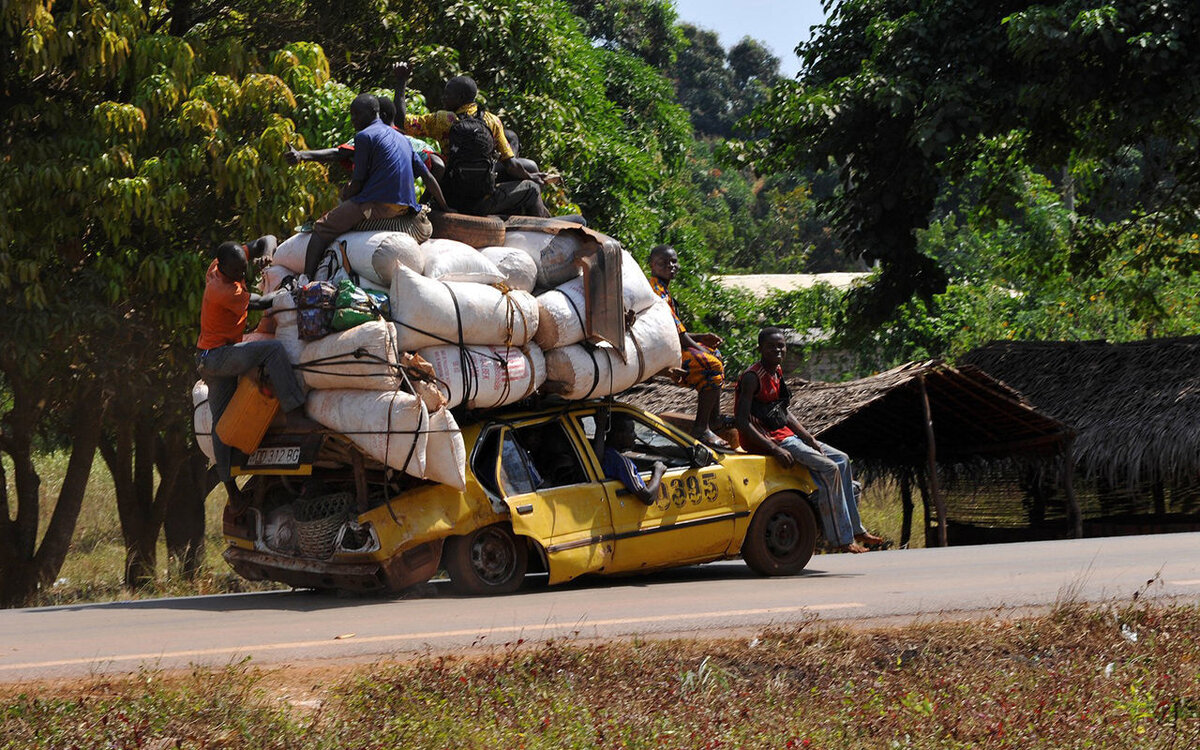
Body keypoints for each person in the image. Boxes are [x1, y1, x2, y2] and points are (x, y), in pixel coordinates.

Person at [734, 327, 885, 554]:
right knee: (829, 468)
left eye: (781, 346)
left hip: (785, 435)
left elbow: (783, 412)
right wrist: (774, 449)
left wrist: (808, 437)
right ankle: (842, 540)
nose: (778, 350)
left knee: (842, 460)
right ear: (760, 349)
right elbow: (742, 422)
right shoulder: (752, 377)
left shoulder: (777, 372)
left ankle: (856, 529)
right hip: (768, 439)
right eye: (772, 346)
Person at [197, 240, 306, 502]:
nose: (242, 275)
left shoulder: (223, 262)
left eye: (244, 269)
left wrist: (266, 254)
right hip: (218, 358)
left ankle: (232, 491)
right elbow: (259, 303)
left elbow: (266, 240)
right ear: (223, 269)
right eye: (237, 273)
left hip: (210, 358)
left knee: (222, 426)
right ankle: (295, 413)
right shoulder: (223, 290)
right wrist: (288, 293)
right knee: (273, 350)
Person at [299, 93, 449, 278]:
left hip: (377, 205)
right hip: (404, 207)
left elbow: (358, 181)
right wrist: (444, 207)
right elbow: (428, 177)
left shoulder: (364, 136)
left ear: (372, 112)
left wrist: (346, 195)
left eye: (356, 114)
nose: (353, 120)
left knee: (322, 228)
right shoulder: (403, 138)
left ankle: (304, 282)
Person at [393, 62, 551, 218]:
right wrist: (532, 177)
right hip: (482, 201)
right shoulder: (492, 121)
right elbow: (511, 165)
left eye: (447, 94)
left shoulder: (443, 120)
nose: (443, 98)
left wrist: (401, 81)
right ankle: (542, 227)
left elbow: (401, 122)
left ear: (460, 98)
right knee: (532, 188)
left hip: (451, 197)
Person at [647, 244, 730, 449]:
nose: (670, 266)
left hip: (668, 344)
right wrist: (698, 347)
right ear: (652, 265)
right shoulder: (656, 289)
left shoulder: (662, 287)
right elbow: (676, 332)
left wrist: (701, 338)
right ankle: (701, 429)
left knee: (715, 353)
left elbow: (674, 330)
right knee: (711, 364)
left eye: (674, 261)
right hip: (659, 350)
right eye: (663, 263)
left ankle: (715, 418)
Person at [592, 410, 666, 506]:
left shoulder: (606, 454)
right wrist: (658, 471)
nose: (635, 435)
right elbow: (648, 497)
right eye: (631, 431)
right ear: (618, 436)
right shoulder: (622, 463)